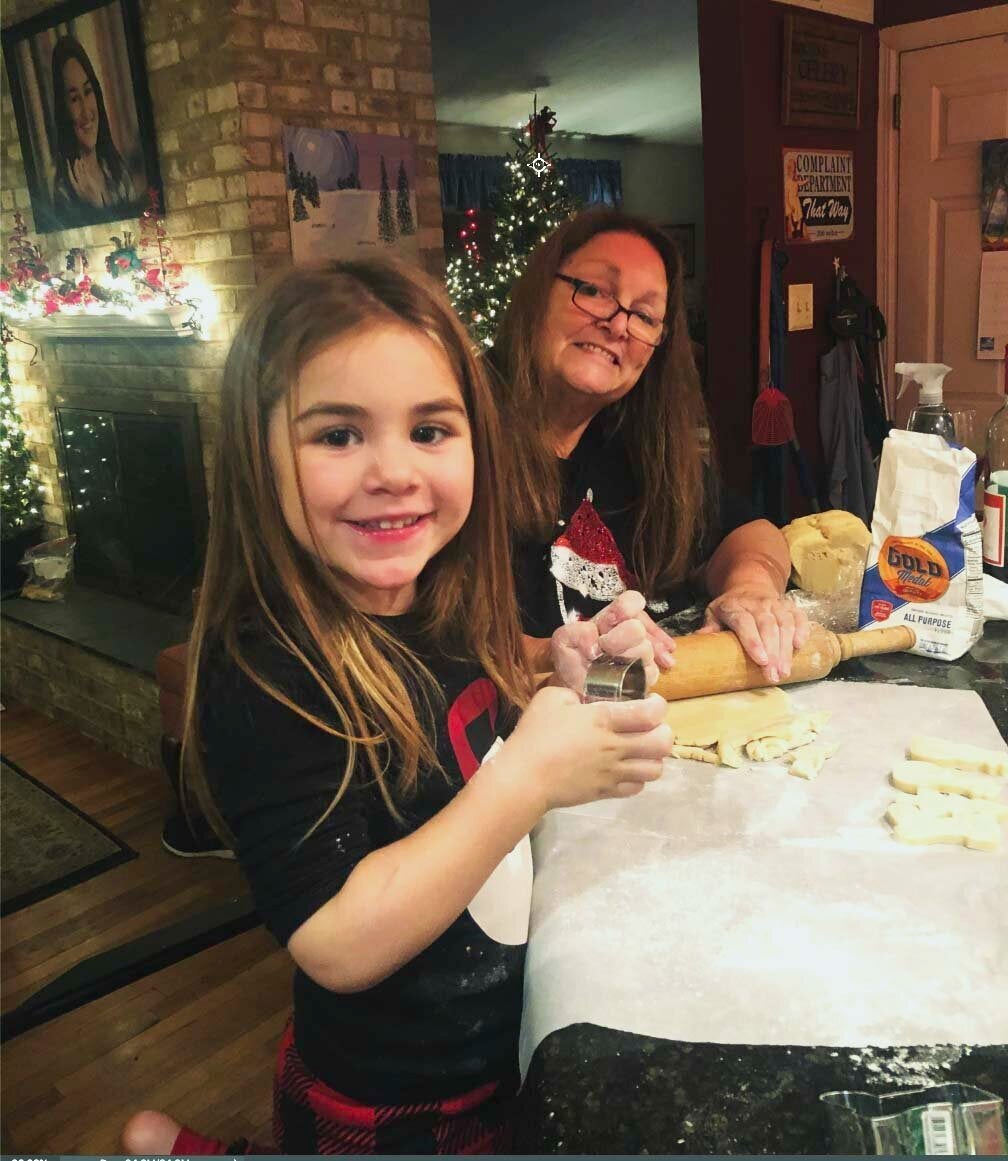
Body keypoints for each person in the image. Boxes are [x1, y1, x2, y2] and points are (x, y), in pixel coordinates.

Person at [121, 257, 671, 1155]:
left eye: (429, 429)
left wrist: (555, 663)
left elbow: (463, 708)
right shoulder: (263, 673)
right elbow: (336, 938)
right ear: (257, 455)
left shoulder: (434, 595)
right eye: (338, 435)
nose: (393, 471)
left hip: (496, 1045)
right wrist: (529, 780)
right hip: (396, 1104)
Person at [490, 207, 809, 683]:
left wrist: (751, 586)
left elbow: (748, 531)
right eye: (594, 291)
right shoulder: (450, 438)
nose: (618, 325)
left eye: (643, 315)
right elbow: (412, 634)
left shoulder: (632, 447)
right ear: (538, 293)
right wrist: (548, 656)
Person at [50, 36, 133, 223]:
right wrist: (92, 204)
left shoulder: (117, 170)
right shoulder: (64, 192)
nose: (86, 111)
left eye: (87, 92)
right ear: (63, 110)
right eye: (73, 99)